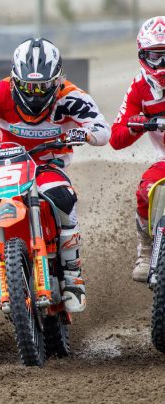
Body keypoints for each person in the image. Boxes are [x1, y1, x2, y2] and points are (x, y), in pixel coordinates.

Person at [0, 37, 111, 313]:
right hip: (6, 163)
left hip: (47, 165)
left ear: (58, 80)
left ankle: (72, 276)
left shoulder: (72, 97)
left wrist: (86, 134)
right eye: (28, 86)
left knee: (63, 197)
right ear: (15, 80)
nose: (35, 93)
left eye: (42, 86)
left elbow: (103, 130)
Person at [110, 16, 165, 282]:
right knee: (146, 190)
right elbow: (115, 137)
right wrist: (138, 125)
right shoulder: (139, 87)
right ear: (143, 55)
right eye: (156, 56)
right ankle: (145, 250)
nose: (162, 63)